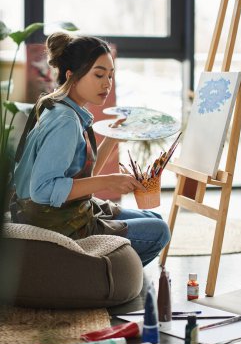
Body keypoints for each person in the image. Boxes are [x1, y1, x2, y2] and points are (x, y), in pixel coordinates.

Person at [11, 32, 170, 267]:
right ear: (71, 75)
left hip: (64, 210)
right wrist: (109, 182)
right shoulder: (65, 121)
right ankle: (104, 275)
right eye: (98, 75)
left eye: (110, 76)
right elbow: (42, 191)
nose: (107, 84)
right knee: (159, 231)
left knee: (153, 219)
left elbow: (78, 174)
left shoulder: (58, 106)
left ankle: (114, 273)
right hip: (55, 221)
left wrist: (112, 138)